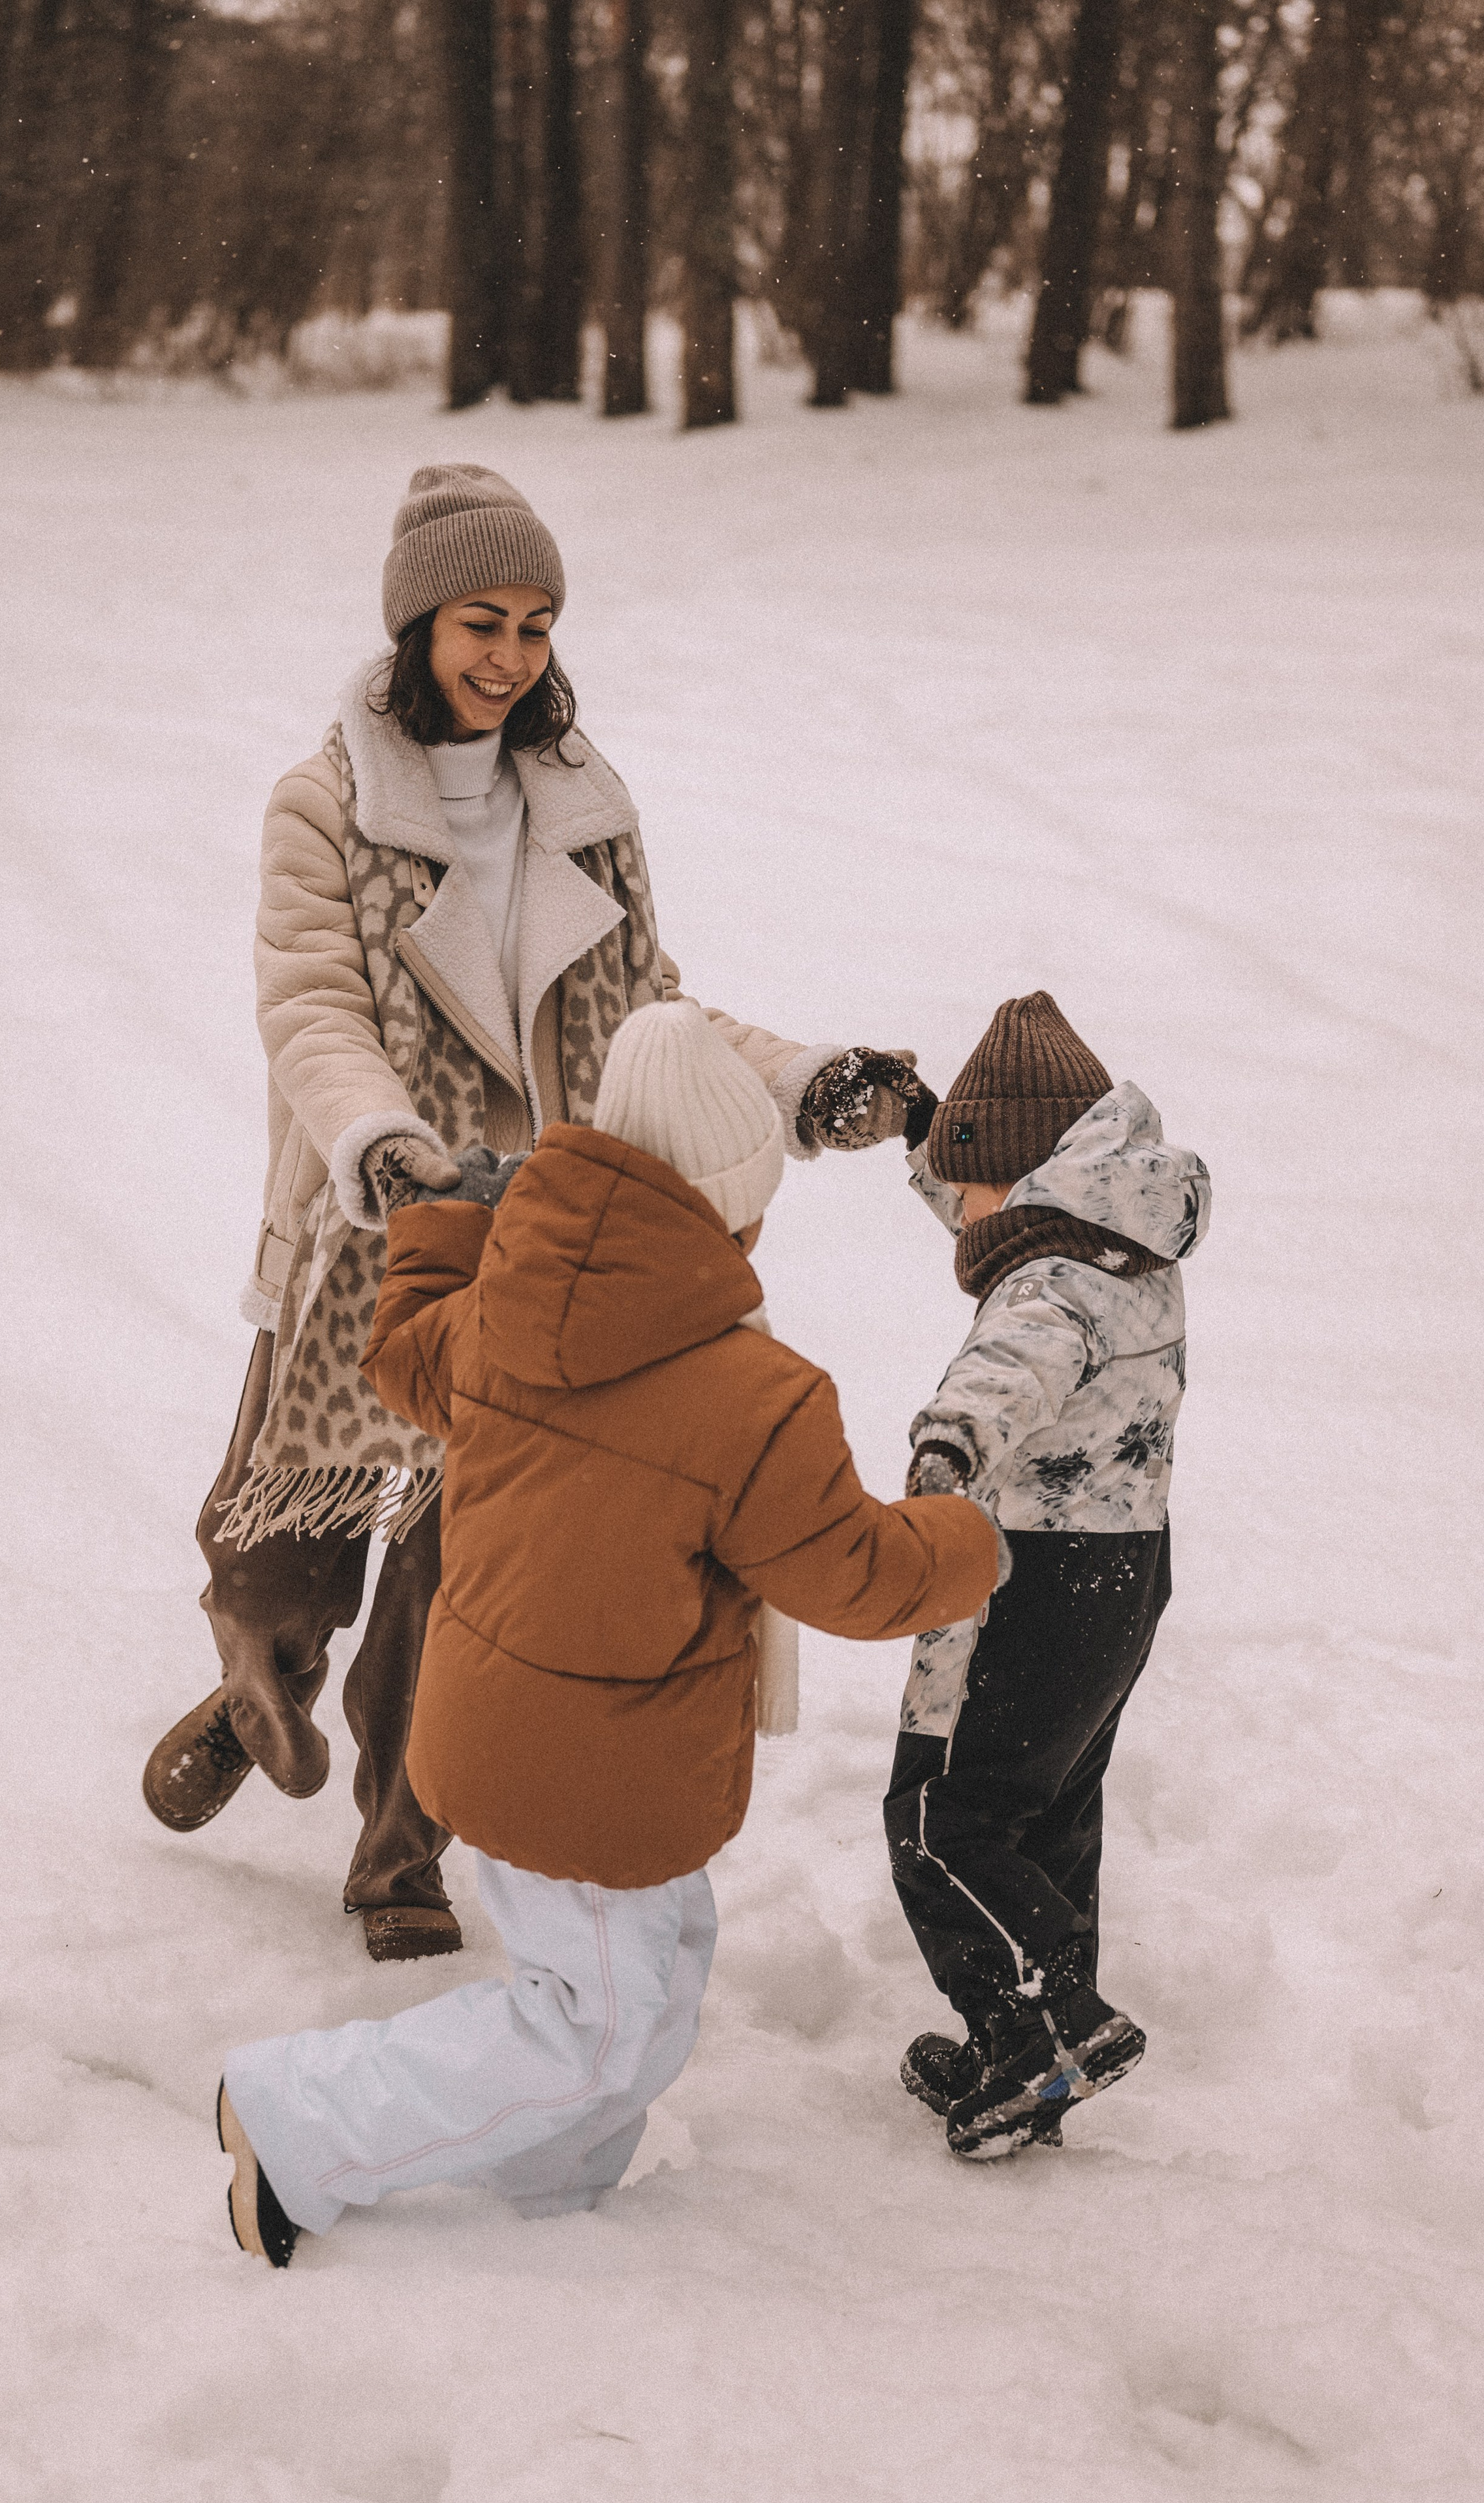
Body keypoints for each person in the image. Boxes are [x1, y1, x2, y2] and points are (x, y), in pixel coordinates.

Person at [140, 462, 929, 1960]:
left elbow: (652, 1011)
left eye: (535, 625)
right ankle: (263, 1680)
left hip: (537, 1247)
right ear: (416, 628)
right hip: (375, 1222)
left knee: (459, 1565)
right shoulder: (324, 804)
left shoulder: (582, 804)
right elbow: (310, 1006)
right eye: (479, 623)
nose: (510, 658)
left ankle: (396, 1860)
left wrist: (810, 1081)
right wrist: (384, 1145)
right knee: (292, 1536)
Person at [216, 1001, 1001, 2262]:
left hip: (504, 1737)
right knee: (598, 2029)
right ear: (729, 1203)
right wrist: (975, 1532)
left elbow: (406, 1357)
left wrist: (443, 1218)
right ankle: (298, 2116)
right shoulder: (755, 1396)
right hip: (598, 1774)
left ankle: (548, 2208)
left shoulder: (506, 1308)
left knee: (646, 1990)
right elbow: (851, 1570)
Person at [882, 992, 1211, 2160]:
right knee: (1047, 1811)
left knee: (941, 1817)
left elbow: (1013, 1362)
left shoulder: (1049, 1285)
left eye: (965, 1187)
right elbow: (998, 1199)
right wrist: (927, 1134)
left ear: (1023, 1178)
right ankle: (1025, 2053)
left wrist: (945, 1451)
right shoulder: (1126, 1240)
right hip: (1124, 1574)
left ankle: (1049, 2029)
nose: (958, 1215)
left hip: (1031, 1572)